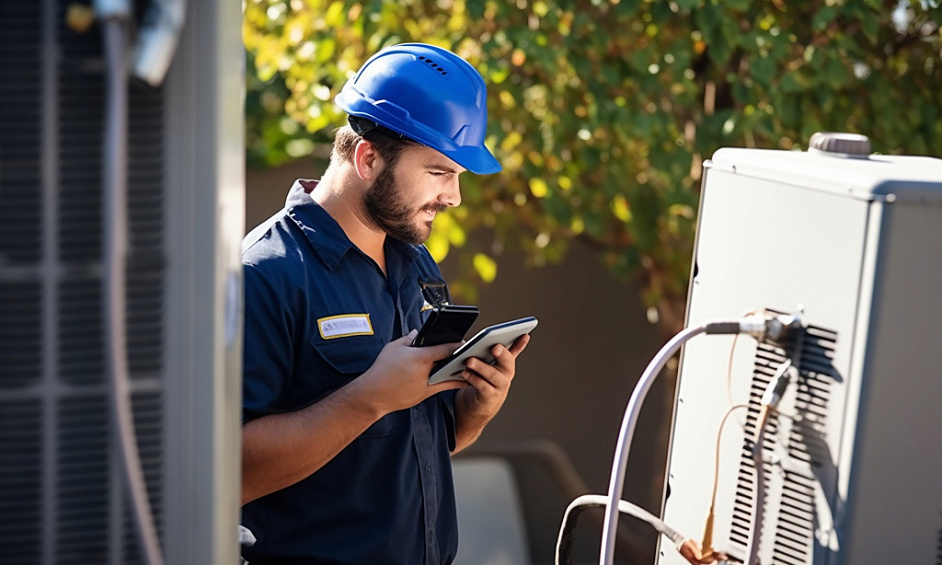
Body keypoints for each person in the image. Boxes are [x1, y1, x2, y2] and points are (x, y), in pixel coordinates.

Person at [240, 43, 532, 565]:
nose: (453, 197)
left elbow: (421, 443)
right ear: (368, 158)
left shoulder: (416, 265)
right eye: (440, 173)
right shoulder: (265, 274)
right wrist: (368, 397)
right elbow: (224, 475)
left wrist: (474, 410)